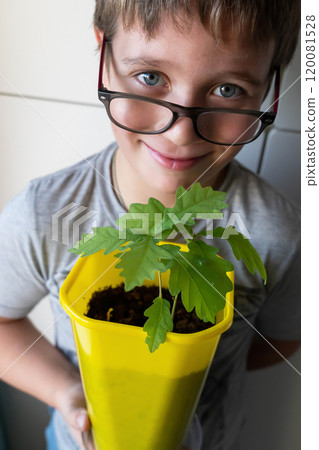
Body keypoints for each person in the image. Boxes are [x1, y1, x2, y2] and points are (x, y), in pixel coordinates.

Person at [0, 1, 301, 449]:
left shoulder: (276, 231)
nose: (180, 131)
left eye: (228, 89)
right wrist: (67, 391)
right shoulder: (45, 215)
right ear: (103, 58)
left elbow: (279, 341)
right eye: (151, 77)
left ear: (271, 89)